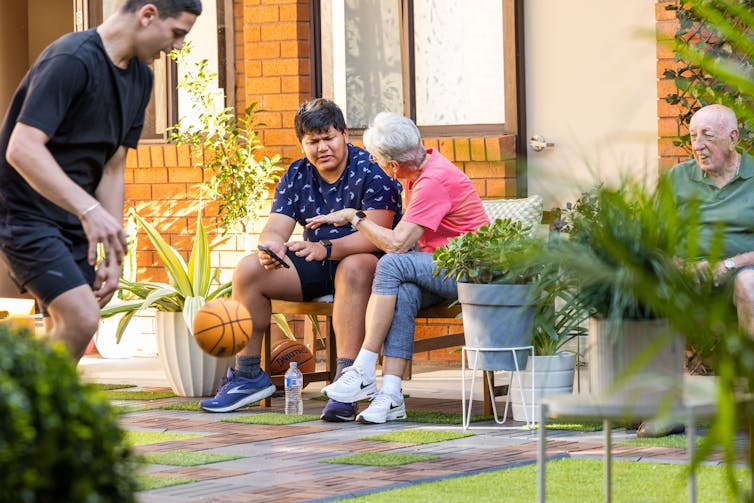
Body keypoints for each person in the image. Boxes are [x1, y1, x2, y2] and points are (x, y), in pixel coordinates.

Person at [0, 0, 202, 361]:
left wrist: (113, 247)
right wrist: (90, 210)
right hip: (24, 213)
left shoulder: (141, 79)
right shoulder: (71, 59)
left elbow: (113, 166)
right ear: (148, 15)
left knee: (66, 329)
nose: (177, 47)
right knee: (81, 318)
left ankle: (39, 414)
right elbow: (22, 149)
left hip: (74, 220)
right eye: (176, 34)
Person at [200, 99, 403, 418]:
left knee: (356, 266)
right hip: (318, 259)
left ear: (345, 134)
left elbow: (378, 232)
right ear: (302, 143)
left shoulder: (372, 167)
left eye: (329, 138)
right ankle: (248, 375)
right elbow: (275, 227)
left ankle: (347, 382)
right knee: (249, 269)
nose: (322, 147)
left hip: (370, 265)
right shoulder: (296, 174)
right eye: (313, 141)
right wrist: (269, 247)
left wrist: (328, 249)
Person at [308, 111, 489, 424]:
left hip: (469, 272)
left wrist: (354, 217)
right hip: (440, 268)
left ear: (392, 165)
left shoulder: (432, 181)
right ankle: (391, 395)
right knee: (402, 292)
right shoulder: (417, 170)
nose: (377, 164)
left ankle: (363, 368)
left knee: (391, 263)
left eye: (377, 159)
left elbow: (395, 244)